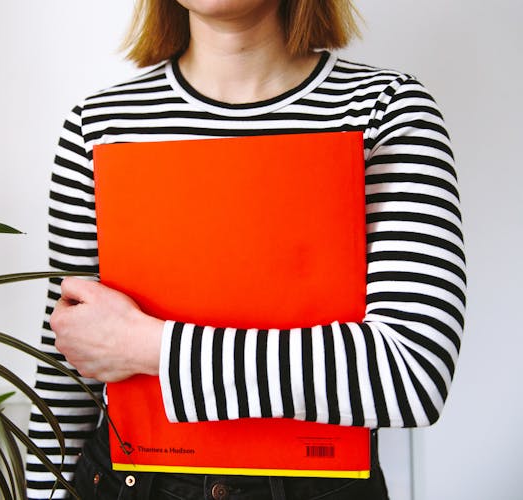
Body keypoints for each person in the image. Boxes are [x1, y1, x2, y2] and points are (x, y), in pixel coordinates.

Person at [25, 0, 465, 498]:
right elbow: (65, 367)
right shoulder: (98, 124)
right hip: (124, 482)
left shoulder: (385, 109)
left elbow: (413, 375)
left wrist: (148, 347)